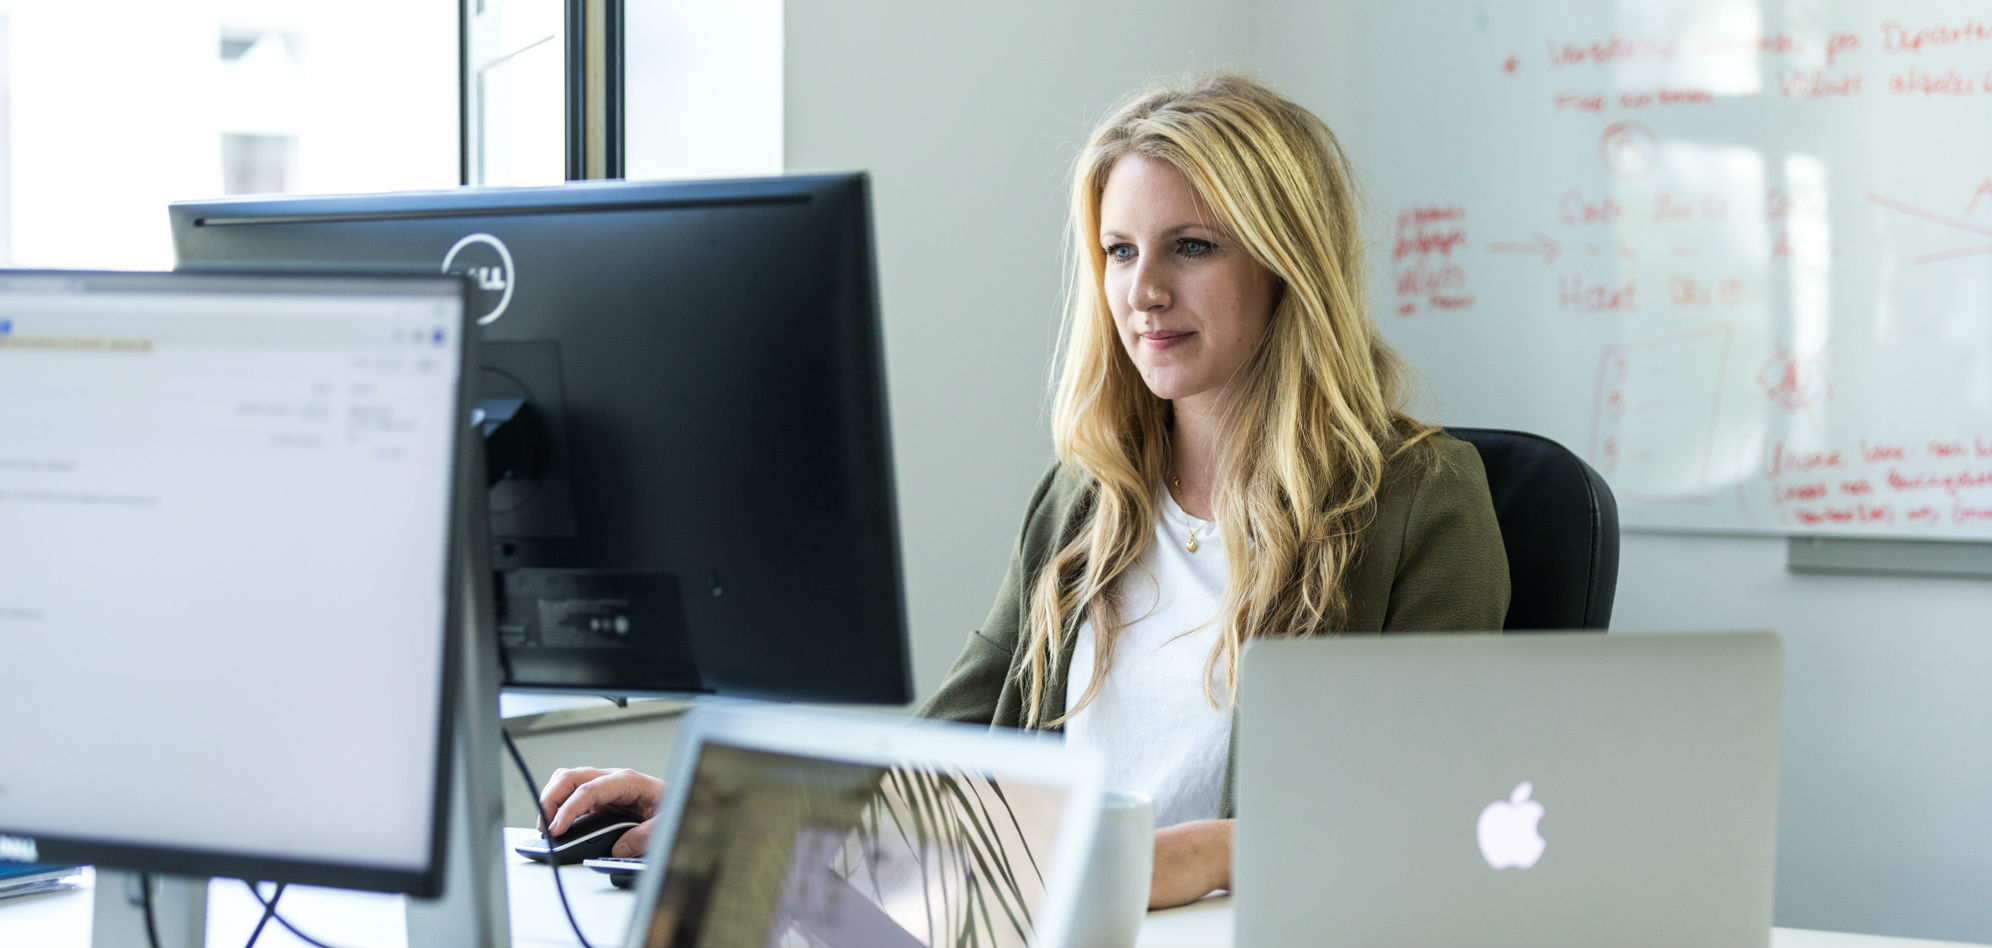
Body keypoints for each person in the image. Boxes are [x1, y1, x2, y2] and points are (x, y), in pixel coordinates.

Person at [535, 71, 1509, 911]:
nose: (1143, 292)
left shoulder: (1420, 502)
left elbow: (1435, 813)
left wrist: (1210, 854)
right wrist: (723, 813)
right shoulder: (1090, 498)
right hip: (1024, 917)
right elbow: (943, 752)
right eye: (1121, 251)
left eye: (1193, 247)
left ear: (1287, 264)